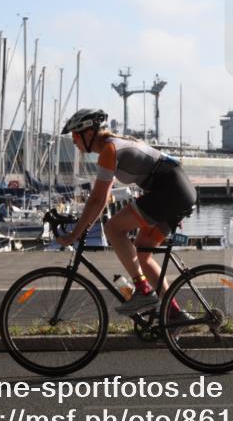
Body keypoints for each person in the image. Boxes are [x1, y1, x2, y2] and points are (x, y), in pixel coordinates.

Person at [55, 108, 197, 318]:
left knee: (112, 228)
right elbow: (99, 201)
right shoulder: (111, 146)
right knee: (143, 252)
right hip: (179, 191)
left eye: (75, 135)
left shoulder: (109, 150)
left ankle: (143, 290)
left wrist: (75, 234)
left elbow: (98, 199)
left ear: (88, 134)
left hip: (171, 191)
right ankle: (173, 314)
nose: (74, 141)